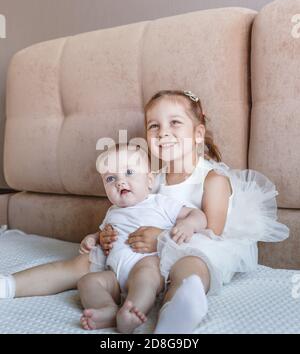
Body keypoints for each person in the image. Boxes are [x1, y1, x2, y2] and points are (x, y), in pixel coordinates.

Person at [99, 90, 289, 334]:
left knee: (190, 265)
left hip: (203, 247)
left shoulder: (212, 179)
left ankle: (177, 308)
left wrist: (160, 237)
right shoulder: (152, 179)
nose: (163, 132)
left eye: (174, 122)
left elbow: (213, 232)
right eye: (154, 125)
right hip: (150, 259)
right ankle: (157, 300)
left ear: (198, 134)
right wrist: (109, 234)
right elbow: (134, 213)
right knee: (145, 270)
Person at [0, 143, 207, 334]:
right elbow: (104, 233)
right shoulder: (113, 211)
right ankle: (106, 309)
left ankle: (132, 311)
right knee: (87, 281)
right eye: (110, 178)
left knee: (145, 279)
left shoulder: (160, 203)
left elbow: (197, 215)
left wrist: (188, 224)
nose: (120, 182)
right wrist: (92, 238)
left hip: (146, 261)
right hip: (113, 272)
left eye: (129, 172)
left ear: (150, 180)